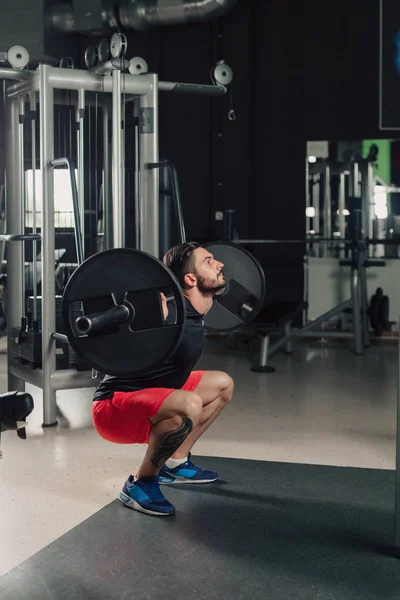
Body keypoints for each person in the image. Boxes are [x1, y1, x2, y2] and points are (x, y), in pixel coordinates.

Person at [92, 241, 235, 516]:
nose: (220, 264)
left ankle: (176, 463)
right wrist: (151, 322)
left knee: (222, 385)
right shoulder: (166, 312)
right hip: (114, 406)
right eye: (209, 262)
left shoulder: (197, 311)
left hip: (154, 392)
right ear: (190, 279)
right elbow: (124, 340)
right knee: (188, 403)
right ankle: (141, 484)